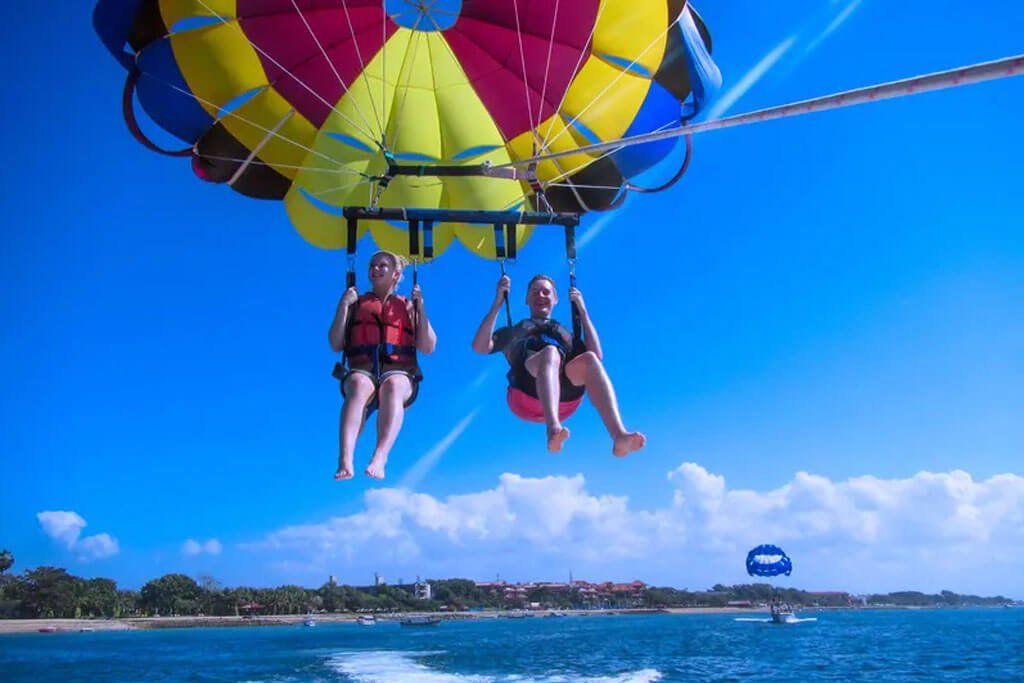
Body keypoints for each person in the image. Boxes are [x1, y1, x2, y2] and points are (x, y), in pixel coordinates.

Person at [472, 274, 644, 456]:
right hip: (524, 396)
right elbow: (480, 346)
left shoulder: (564, 334)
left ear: (555, 299)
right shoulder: (515, 331)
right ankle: (553, 429)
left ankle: (619, 436)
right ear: (527, 299)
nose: (541, 295)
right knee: (550, 353)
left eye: (546, 292)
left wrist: (582, 311)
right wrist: (498, 301)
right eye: (535, 292)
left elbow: (597, 356)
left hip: (564, 400)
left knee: (589, 360)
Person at [328, 251, 436, 480]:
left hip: (398, 372)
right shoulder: (357, 303)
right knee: (358, 383)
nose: (375, 269)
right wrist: (343, 305)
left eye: (382, 266)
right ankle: (345, 458)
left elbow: (427, 347)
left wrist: (421, 308)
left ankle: (380, 456)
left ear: (396, 274)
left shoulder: (407, 306)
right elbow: (336, 344)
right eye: (372, 265)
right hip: (363, 370)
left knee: (394, 384)